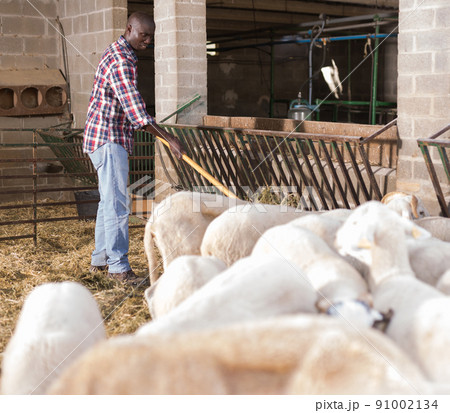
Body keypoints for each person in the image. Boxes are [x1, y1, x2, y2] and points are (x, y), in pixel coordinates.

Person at [83, 12, 184, 286]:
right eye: (144, 35)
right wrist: (168, 138)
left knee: (108, 202)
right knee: (116, 204)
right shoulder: (120, 59)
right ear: (129, 29)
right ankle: (118, 267)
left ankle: (101, 260)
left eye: (151, 37)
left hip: (104, 138)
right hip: (108, 138)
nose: (148, 41)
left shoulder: (122, 54)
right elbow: (137, 113)